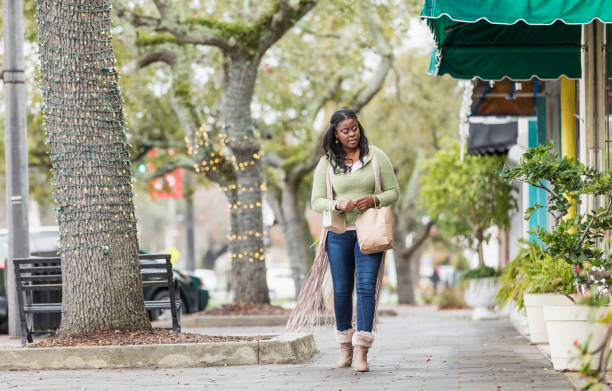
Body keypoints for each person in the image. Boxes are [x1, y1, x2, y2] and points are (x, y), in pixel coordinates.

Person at [286, 109, 399, 372]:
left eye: (355, 128)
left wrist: (373, 199)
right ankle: (345, 347)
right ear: (335, 135)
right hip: (338, 234)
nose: (352, 134)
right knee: (340, 290)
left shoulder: (376, 156)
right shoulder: (327, 163)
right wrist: (338, 203)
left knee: (367, 288)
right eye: (345, 131)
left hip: (370, 232)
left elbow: (393, 192)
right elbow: (316, 201)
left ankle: (362, 350)